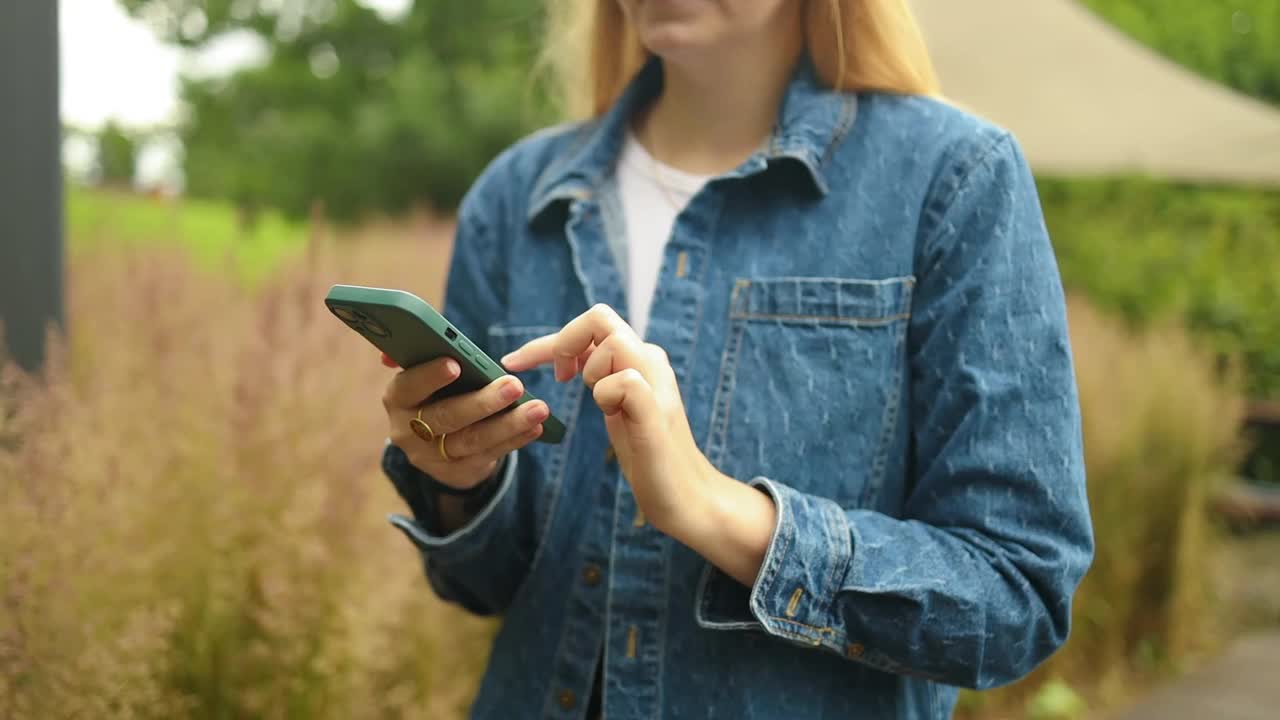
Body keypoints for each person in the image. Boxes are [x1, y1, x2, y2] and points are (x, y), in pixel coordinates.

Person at [378, 1, 1094, 718]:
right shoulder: (513, 200)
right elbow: (485, 586)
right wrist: (463, 483)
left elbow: (1015, 594)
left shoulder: (955, 180)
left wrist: (716, 510)